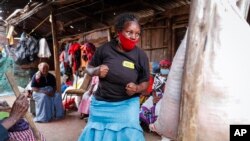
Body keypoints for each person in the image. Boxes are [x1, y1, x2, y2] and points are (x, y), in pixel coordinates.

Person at [78, 13, 150, 141]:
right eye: (129, 32)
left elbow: (145, 82)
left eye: (137, 34)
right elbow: (89, 68)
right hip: (101, 104)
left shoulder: (141, 56)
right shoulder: (104, 50)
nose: (134, 37)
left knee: (129, 134)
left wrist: (137, 88)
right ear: (118, 32)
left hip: (127, 105)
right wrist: (96, 70)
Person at [139, 59, 171, 129]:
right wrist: (154, 97)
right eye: (163, 67)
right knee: (145, 105)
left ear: (169, 68)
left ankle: (158, 127)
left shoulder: (171, 78)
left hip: (165, 97)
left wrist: (161, 97)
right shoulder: (157, 76)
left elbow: (169, 91)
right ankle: (147, 124)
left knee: (158, 109)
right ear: (160, 67)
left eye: (166, 67)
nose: (164, 69)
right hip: (155, 95)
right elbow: (154, 89)